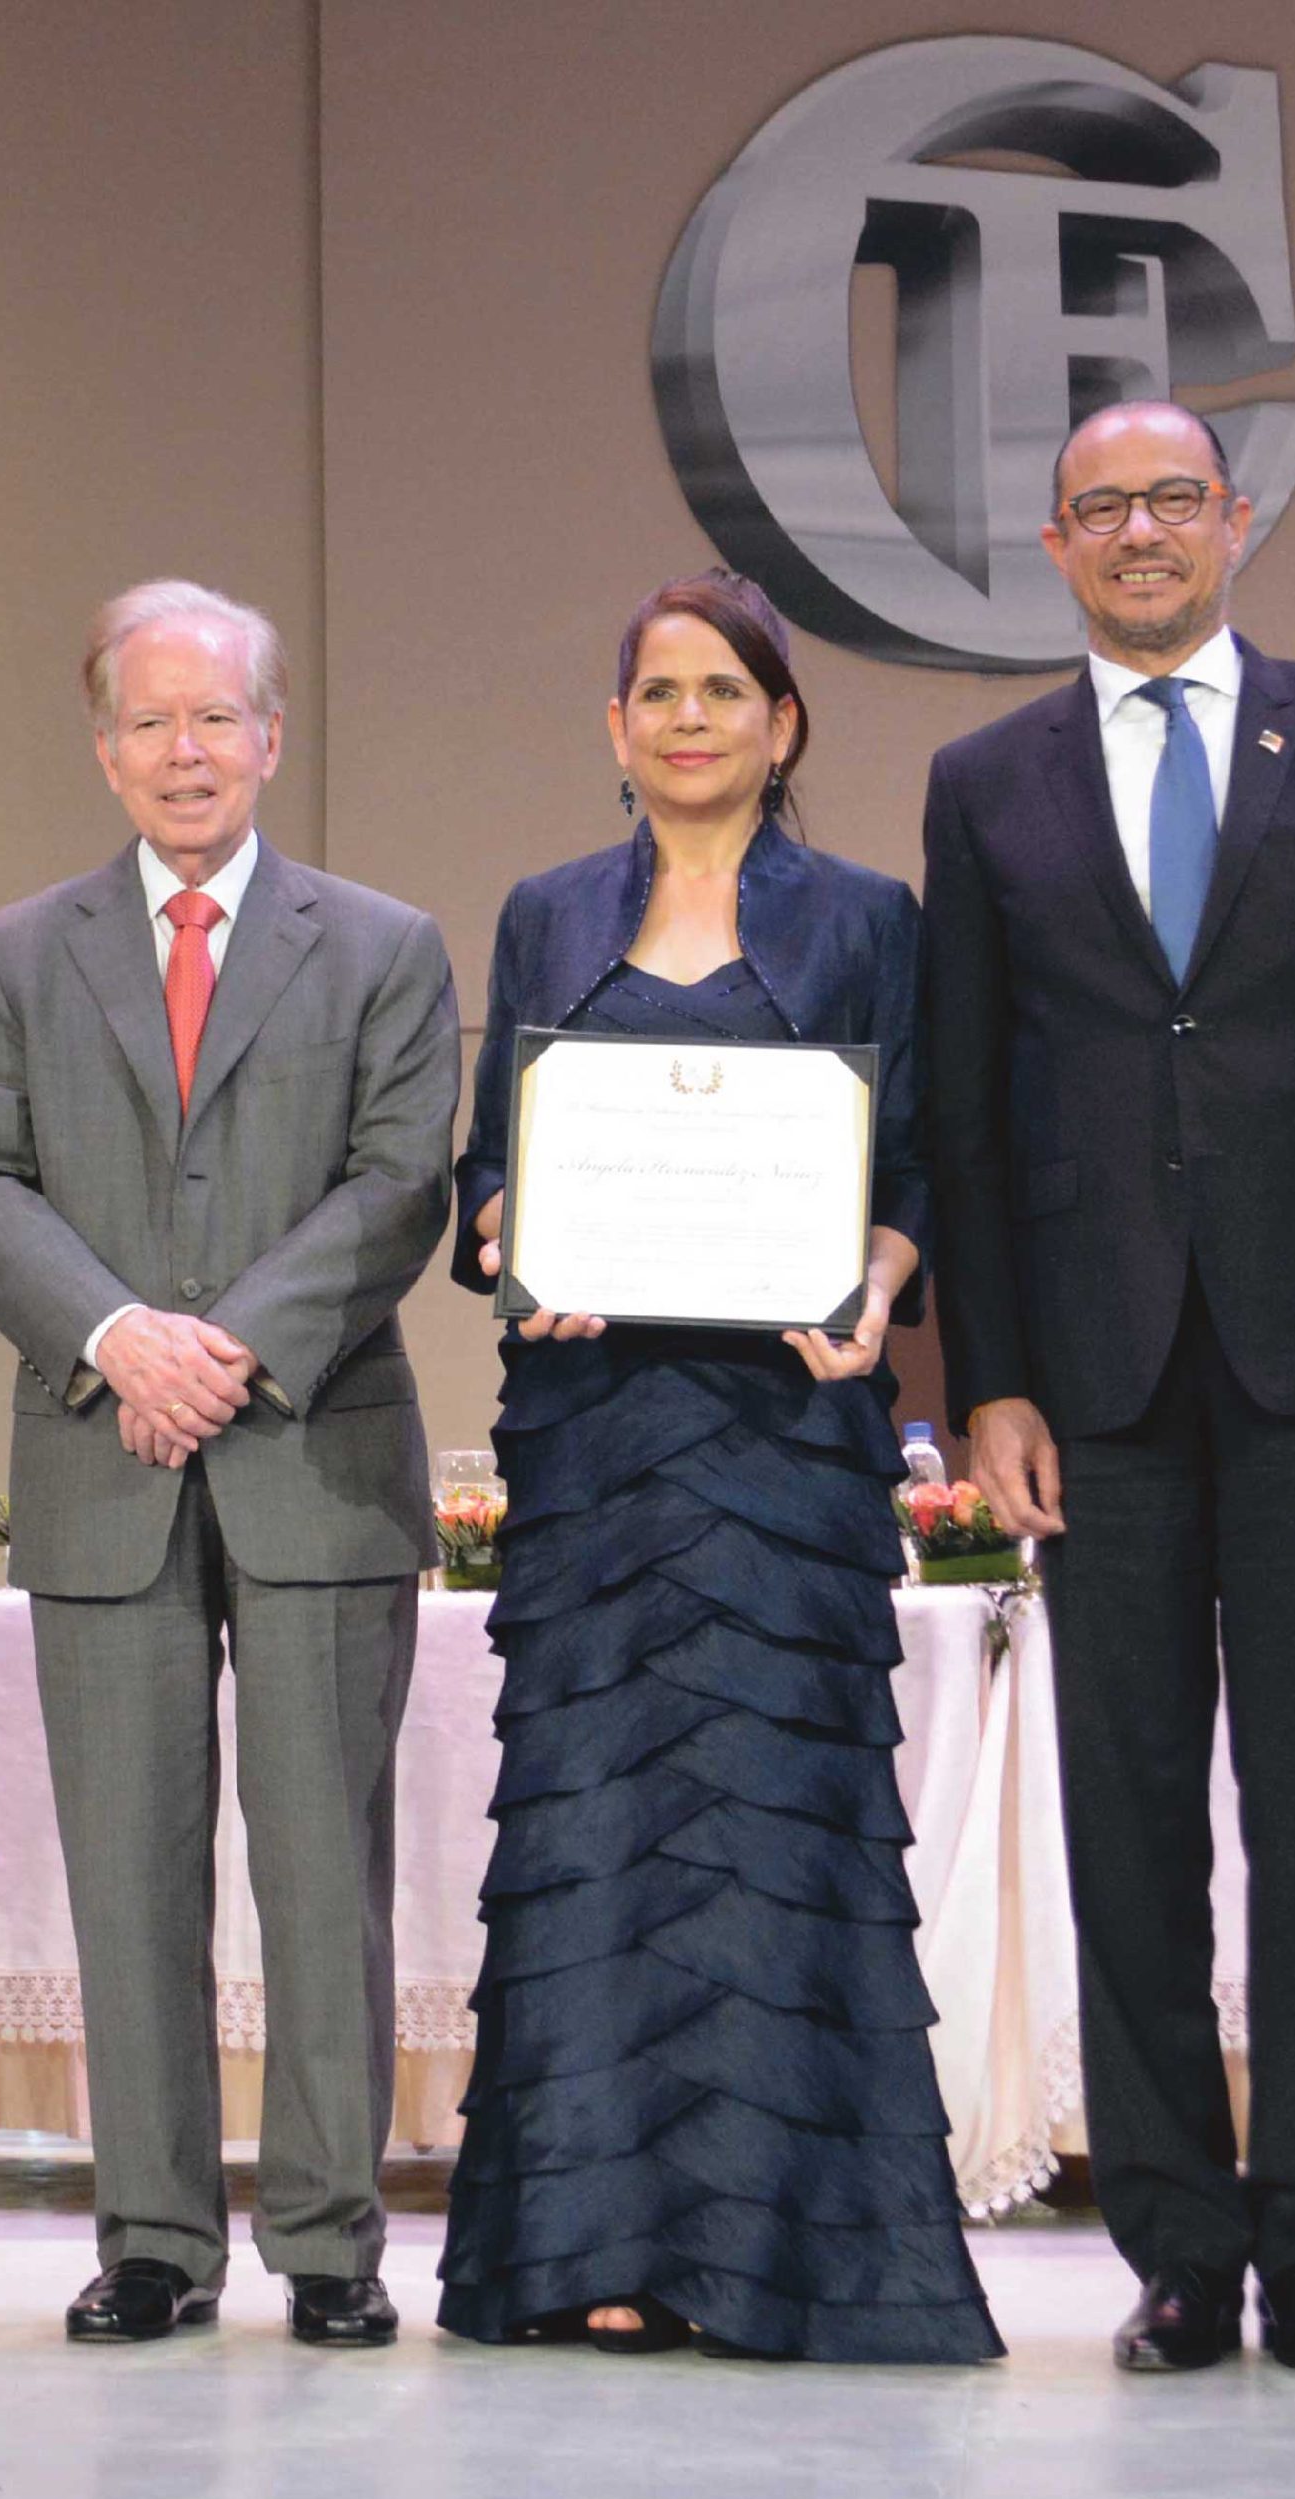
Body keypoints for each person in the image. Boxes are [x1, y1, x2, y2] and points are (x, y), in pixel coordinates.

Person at [924, 400, 1295, 2376]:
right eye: (1101, 507)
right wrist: (988, 1378)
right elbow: (965, 1107)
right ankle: (1172, 2247)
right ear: (1054, 544)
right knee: (1130, 1820)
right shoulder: (984, 779)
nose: (1139, 531)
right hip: (1096, 1384)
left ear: (1234, 519)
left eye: (1172, 498)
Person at [436, 571, 1001, 2364]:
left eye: (722, 691)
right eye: (658, 692)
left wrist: (877, 1288)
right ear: (616, 728)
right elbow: (485, 1172)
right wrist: (507, 1232)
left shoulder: (868, 918)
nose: (689, 718)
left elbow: (914, 1168)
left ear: (782, 724)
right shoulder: (544, 913)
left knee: (771, 1838)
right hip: (597, 1452)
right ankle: (589, 2245)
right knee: (596, 1835)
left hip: (782, 1453)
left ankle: (777, 2257)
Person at [0, 579, 458, 2347]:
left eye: (214, 716)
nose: (184, 750)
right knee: (129, 1875)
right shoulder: (13, 955)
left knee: (321, 1876)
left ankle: (327, 2246)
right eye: (149, 720)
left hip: (313, 1459)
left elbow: (401, 1179)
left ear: (271, 737)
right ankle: (152, 2238)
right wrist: (116, 1340)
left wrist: (220, 1348)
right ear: (103, 749)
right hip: (106, 1462)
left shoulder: (381, 944)